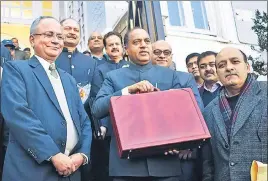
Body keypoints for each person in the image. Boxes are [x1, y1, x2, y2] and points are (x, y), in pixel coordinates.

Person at [92, 27, 203, 181]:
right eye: (136, 42)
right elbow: (97, 109)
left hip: (165, 164)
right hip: (126, 167)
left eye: (147, 41)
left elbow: (185, 115)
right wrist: (126, 91)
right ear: (126, 49)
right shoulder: (113, 77)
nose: (143, 45)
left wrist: (178, 143)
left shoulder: (171, 76)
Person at [1, 16, 92, 181]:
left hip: (71, 171)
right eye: (49, 35)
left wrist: (82, 155)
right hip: (32, 171)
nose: (56, 41)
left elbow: (84, 121)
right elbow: (18, 114)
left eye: (59, 36)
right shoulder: (16, 70)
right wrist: (53, 154)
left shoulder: (69, 80)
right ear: (32, 39)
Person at [202, 47, 267, 181]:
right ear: (218, 73)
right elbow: (208, 162)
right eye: (222, 65)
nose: (229, 68)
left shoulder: (265, 93)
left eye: (235, 61)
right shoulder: (209, 111)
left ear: (248, 67)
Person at [55, 17, 97, 181]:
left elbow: (94, 95)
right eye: (68, 28)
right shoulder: (52, 57)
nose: (72, 32)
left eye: (76, 30)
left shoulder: (90, 62)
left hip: (85, 127)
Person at [90, 31, 129, 181]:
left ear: (123, 47)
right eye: (110, 45)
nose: (114, 47)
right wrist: (103, 125)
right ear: (105, 49)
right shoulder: (100, 69)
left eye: (117, 44)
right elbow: (97, 98)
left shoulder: (132, 66)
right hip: (111, 123)